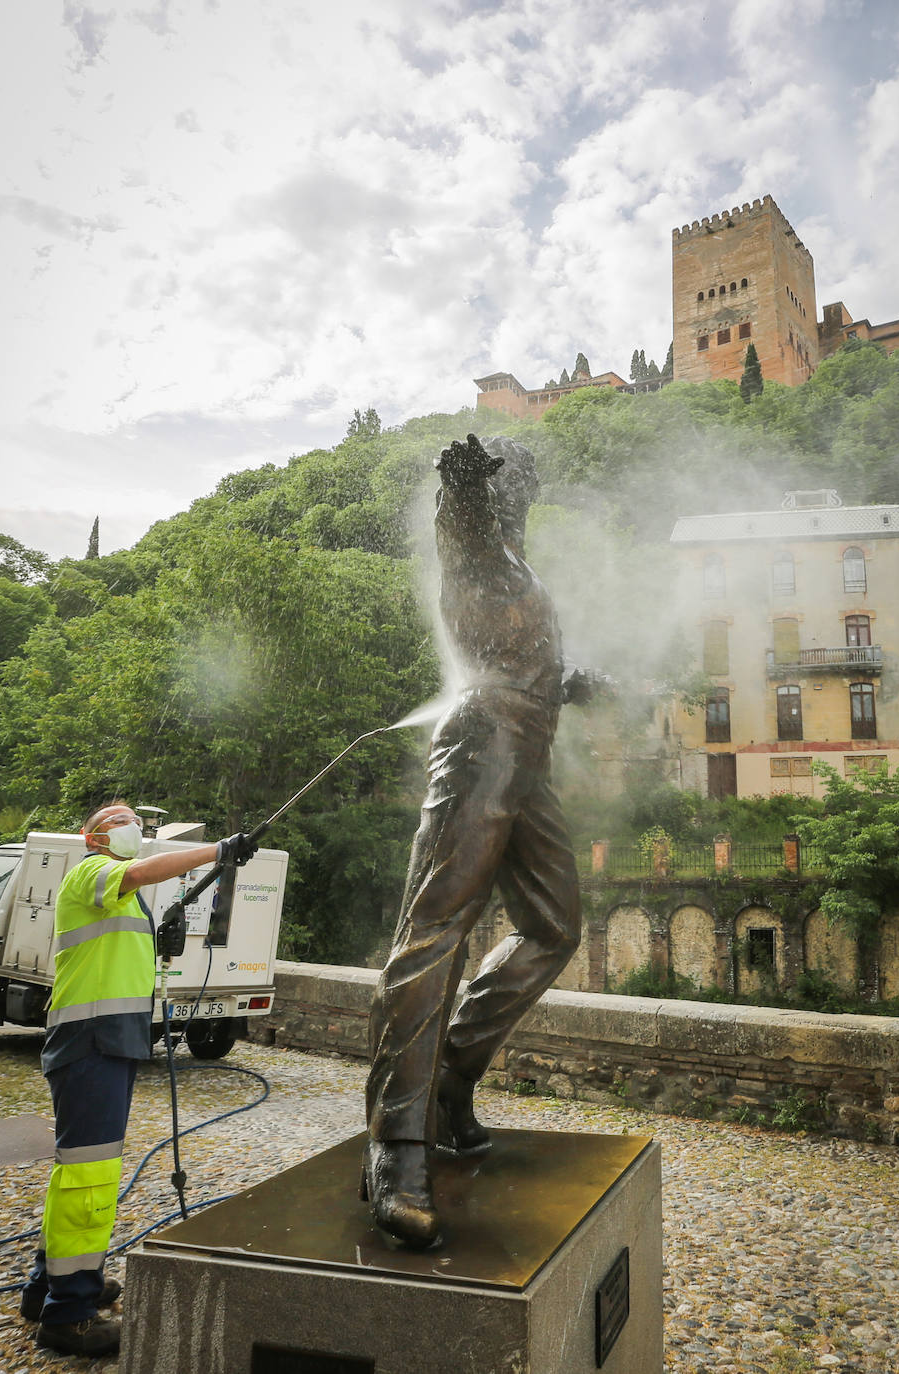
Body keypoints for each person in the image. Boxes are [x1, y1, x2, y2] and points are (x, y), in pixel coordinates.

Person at [364, 434, 597, 1247]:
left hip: (528, 752)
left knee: (554, 927)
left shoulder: (518, 569)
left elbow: (513, 645)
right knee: (433, 935)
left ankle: (452, 1077)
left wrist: (569, 681)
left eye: (527, 485)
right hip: (482, 742)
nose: (520, 497)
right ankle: (397, 1148)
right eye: (512, 485)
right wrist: (460, 483)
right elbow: (455, 531)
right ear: (493, 494)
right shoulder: (473, 540)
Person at [21, 801, 257, 1357]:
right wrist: (219, 852)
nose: (132, 826)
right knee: (90, 1177)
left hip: (107, 1042)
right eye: (119, 819)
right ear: (93, 836)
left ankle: (47, 1287)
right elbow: (141, 870)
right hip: (92, 1044)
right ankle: (68, 1315)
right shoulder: (90, 872)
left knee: (76, 1169)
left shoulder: (121, 897)